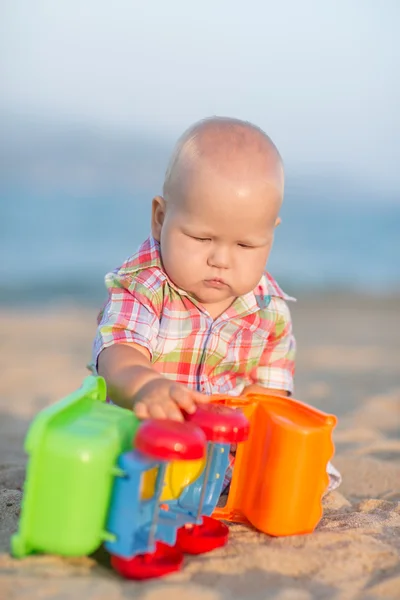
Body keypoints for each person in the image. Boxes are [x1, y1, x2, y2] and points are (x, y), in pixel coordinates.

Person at [91, 116, 341, 492]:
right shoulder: (143, 286)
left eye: (245, 245)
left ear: (270, 235)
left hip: (222, 449)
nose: (221, 259)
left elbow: (269, 396)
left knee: (304, 472)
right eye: (201, 237)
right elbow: (118, 356)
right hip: (143, 439)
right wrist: (145, 386)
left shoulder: (268, 310)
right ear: (160, 219)